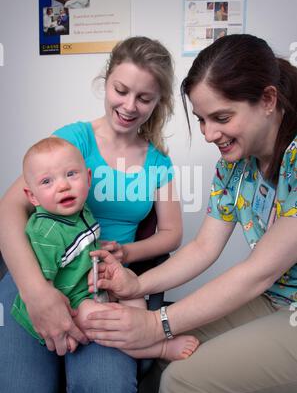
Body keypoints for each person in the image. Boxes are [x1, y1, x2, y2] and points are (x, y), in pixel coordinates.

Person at [82, 34, 297, 393]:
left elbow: (258, 273)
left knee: (183, 385)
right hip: (275, 299)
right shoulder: (235, 167)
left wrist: (155, 324)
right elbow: (202, 247)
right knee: (168, 353)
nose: (209, 134)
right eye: (201, 119)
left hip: (279, 302)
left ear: (267, 100)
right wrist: (138, 283)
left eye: (222, 117)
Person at [0, 36, 182, 393]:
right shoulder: (73, 139)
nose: (129, 106)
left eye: (145, 98)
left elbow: (172, 233)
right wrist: (36, 293)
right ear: (106, 81)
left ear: (158, 102)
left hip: (102, 284)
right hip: (40, 272)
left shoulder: (158, 163)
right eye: (121, 90)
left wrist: (127, 252)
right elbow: (9, 209)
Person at [13, 136, 198, 360]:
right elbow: (43, 289)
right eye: (47, 182)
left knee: (133, 297)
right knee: (106, 322)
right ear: (32, 196)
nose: (63, 186)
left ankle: (145, 334)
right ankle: (160, 349)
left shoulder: (81, 209)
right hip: (68, 303)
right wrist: (64, 321)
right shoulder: (46, 233)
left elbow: (77, 246)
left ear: (88, 179)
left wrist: (102, 253)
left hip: (88, 284)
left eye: (71, 174)